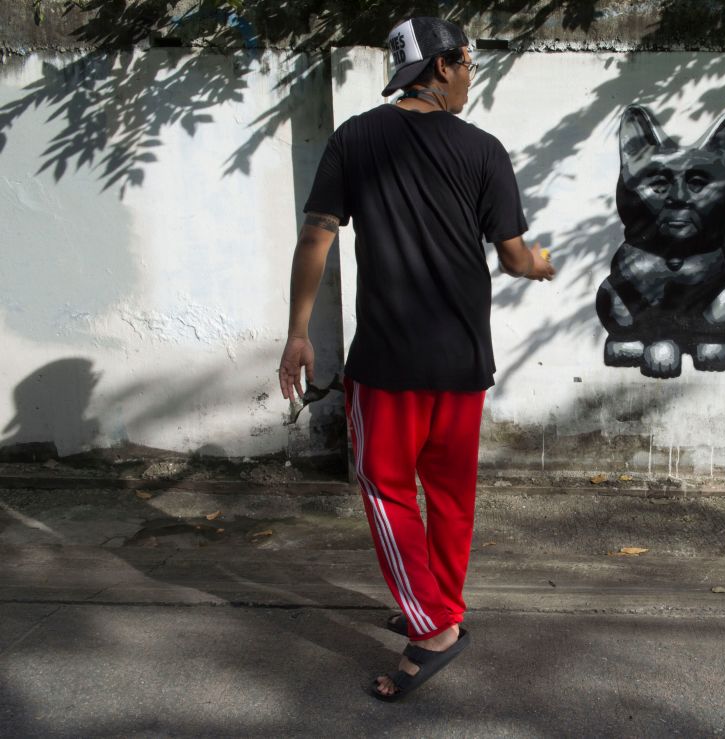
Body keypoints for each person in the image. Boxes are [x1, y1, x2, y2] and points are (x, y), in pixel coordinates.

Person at [277, 16, 554, 702]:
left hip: (390, 361)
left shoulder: (355, 139)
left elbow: (318, 235)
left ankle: (434, 626)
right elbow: (516, 255)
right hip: (461, 358)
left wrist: (298, 331)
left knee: (388, 488)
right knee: (449, 494)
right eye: (466, 66)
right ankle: (439, 609)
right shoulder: (483, 150)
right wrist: (540, 265)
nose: (469, 80)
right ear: (443, 64)